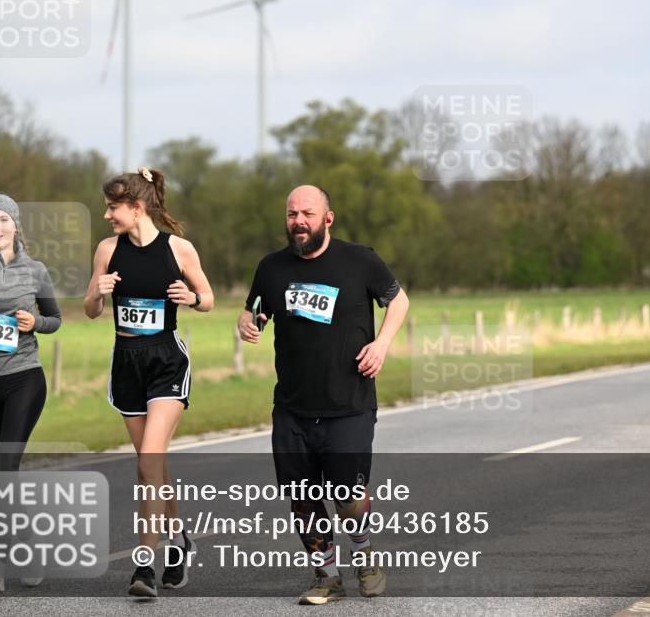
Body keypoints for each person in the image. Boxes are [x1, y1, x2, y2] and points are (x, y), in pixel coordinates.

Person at [237, 185, 409, 605]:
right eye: (292, 214)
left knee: (347, 496)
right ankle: (326, 576)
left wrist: (382, 343)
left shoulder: (359, 260)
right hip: (292, 405)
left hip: (348, 402)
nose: (298, 221)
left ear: (327, 218)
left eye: (307, 213)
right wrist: (247, 322)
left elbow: (398, 300)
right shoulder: (271, 267)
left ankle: (363, 551)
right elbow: (255, 310)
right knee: (302, 498)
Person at [83, 167, 214, 597]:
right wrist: (98, 293)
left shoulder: (179, 249)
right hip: (127, 363)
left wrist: (192, 298)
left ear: (137, 208)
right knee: (151, 464)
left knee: (148, 464)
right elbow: (89, 310)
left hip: (166, 362)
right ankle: (179, 542)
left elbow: (208, 299)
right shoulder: (107, 250)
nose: (107, 215)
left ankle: (144, 568)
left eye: (113, 208)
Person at [0, 195, 62, 592]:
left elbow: (55, 320)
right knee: (4, 473)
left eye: (3, 219)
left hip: (23, 378)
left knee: (5, 466)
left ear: (16, 226)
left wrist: (34, 322)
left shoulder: (35, 270)